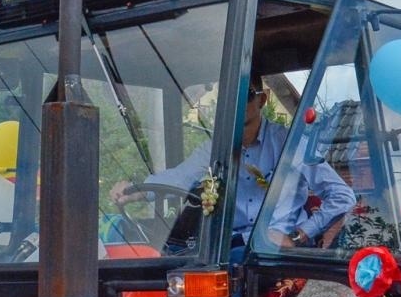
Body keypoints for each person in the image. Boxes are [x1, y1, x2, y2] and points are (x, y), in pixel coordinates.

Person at [112, 74, 354, 254]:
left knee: (228, 275)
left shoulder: (289, 143)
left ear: (262, 100)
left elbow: (342, 196)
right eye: (229, 97)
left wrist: (299, 235)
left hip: (277, 251)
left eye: (245, 95)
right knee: (170, 261)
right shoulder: (216, 147)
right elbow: (181, 176)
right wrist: (137, 191)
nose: (236, 103)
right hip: (230, 246)